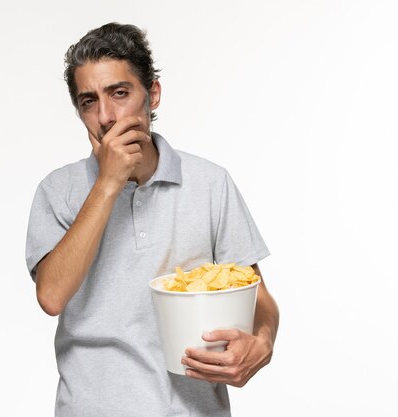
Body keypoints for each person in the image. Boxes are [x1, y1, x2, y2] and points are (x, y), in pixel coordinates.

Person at [25, 22, 279, 417]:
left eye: (120, 93)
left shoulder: (210, 183)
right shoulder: (58, 191)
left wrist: (261, 344)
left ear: (153, 94)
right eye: (89, 101)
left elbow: (258, 298)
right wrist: (108, 183)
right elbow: (51, 296)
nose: (106, 117)